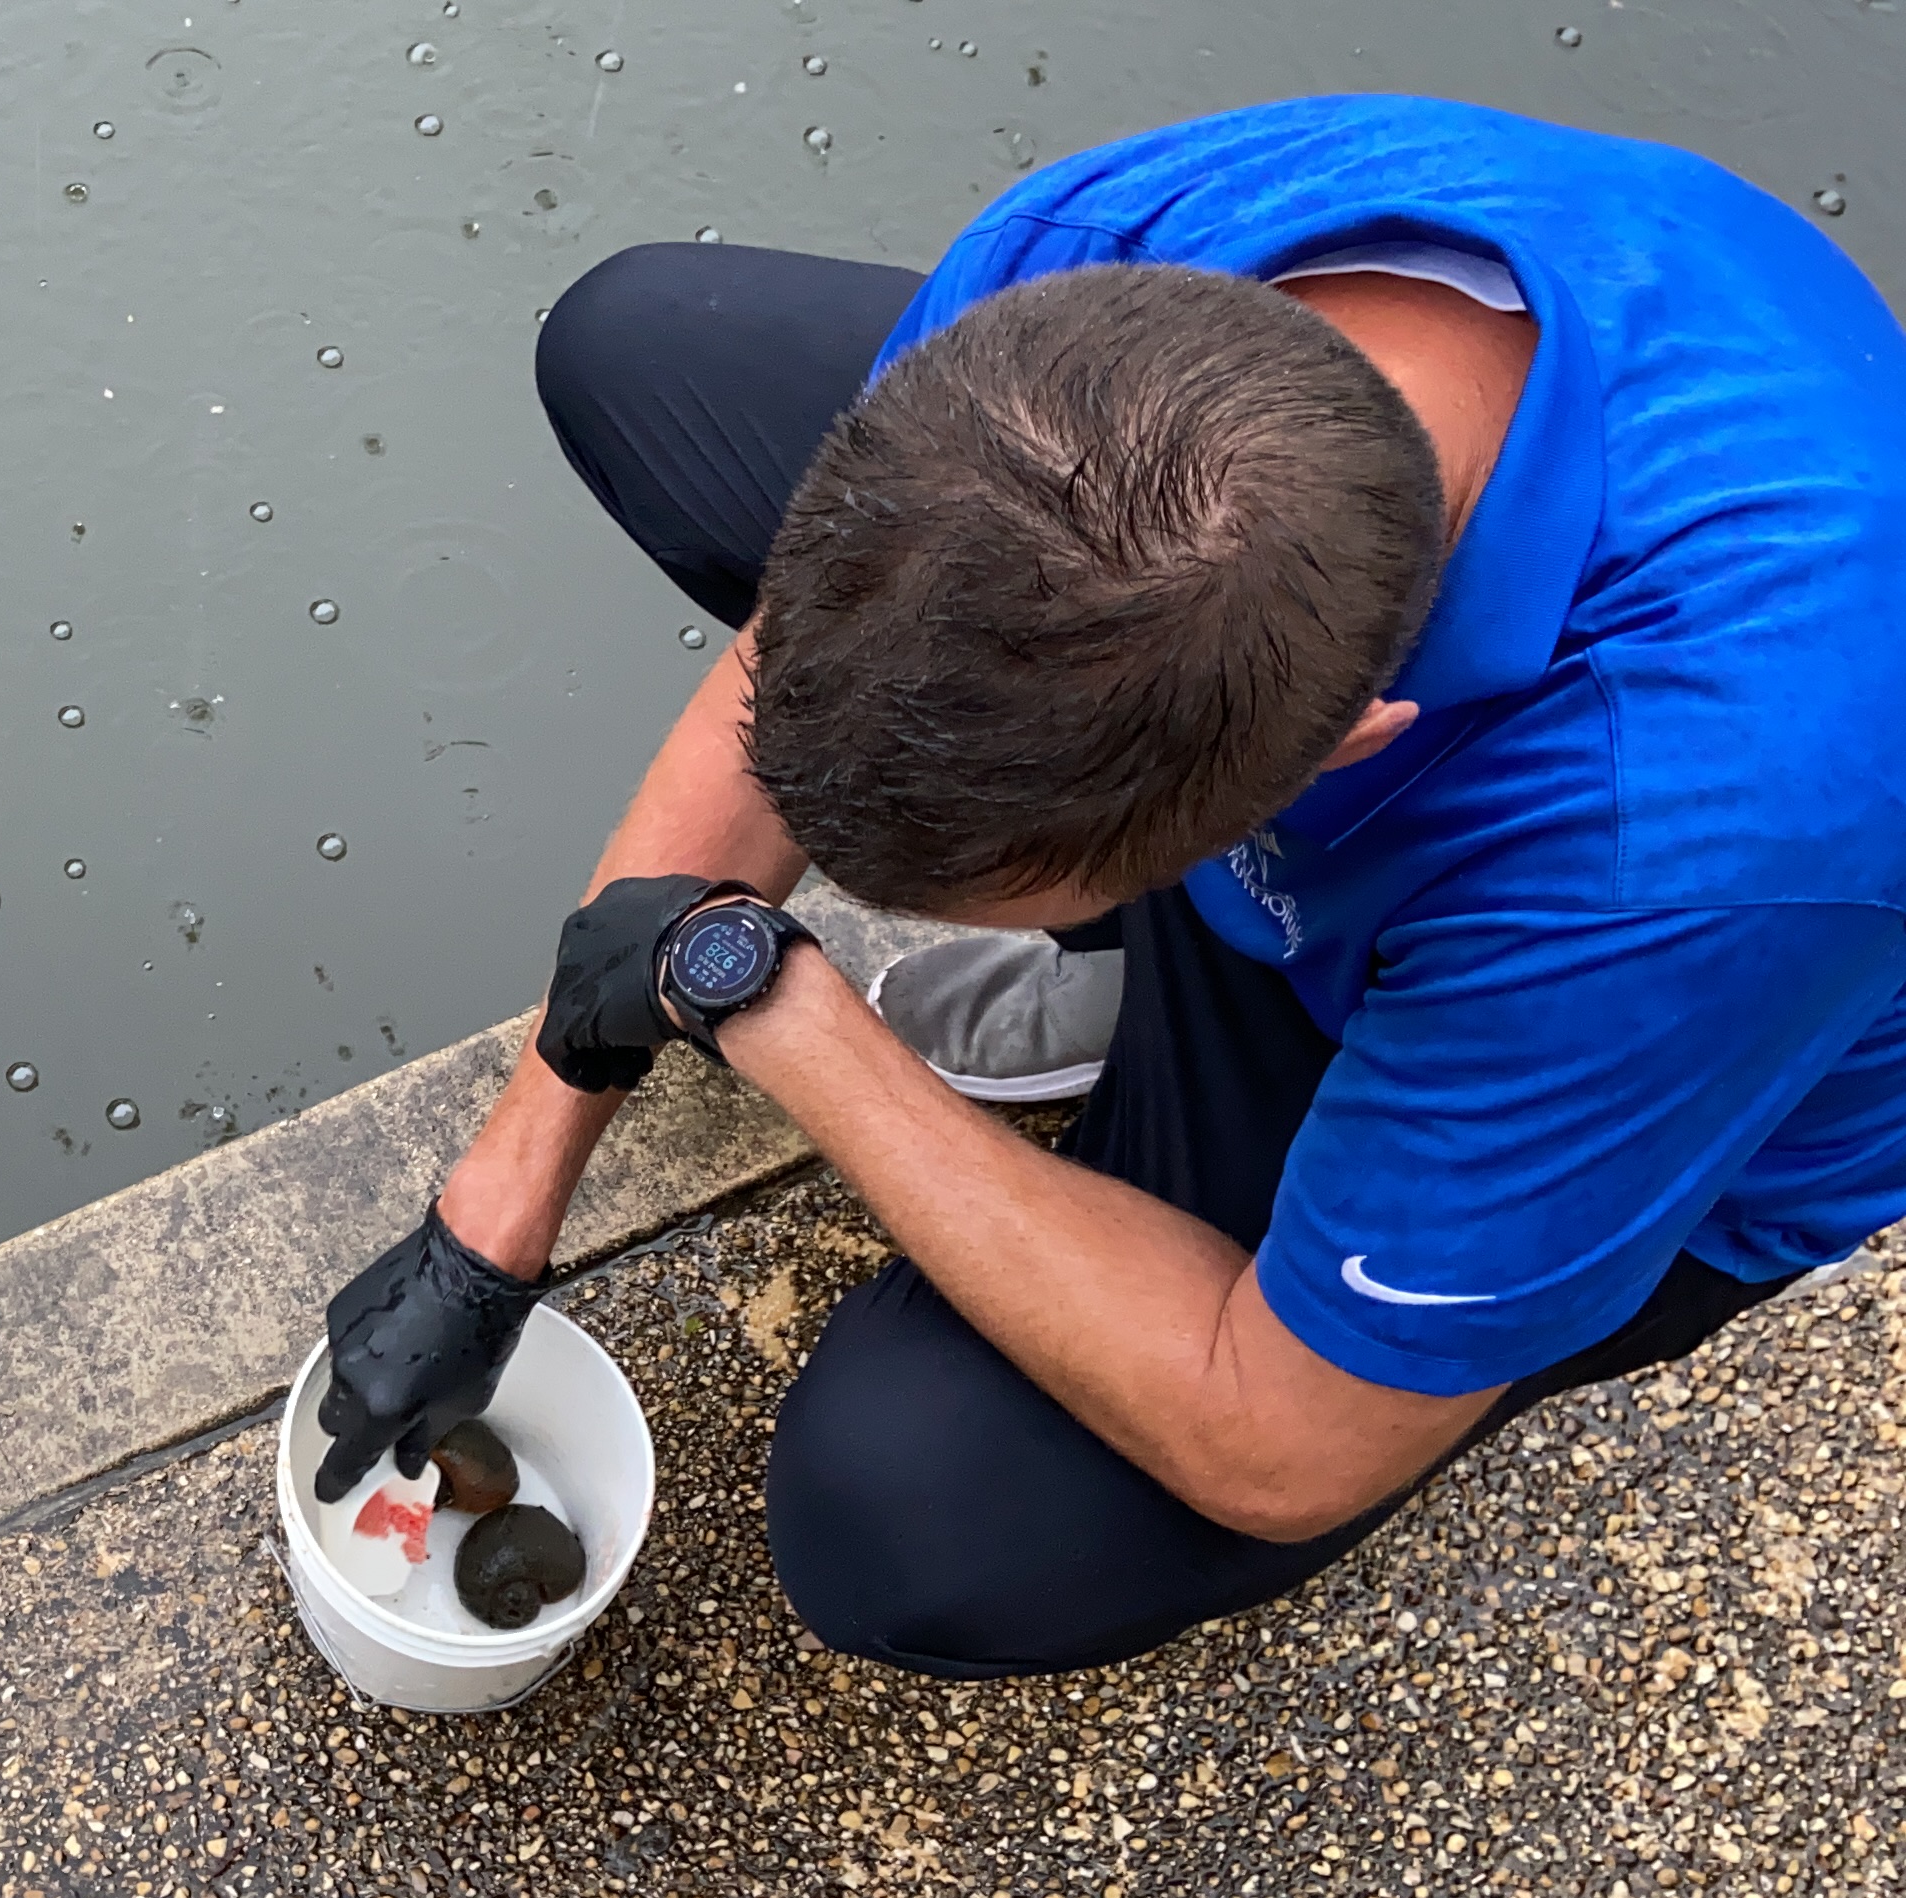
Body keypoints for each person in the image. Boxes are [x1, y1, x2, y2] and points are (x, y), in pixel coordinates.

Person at [310, 94, 1906, 1679]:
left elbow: (1285, 1445)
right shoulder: (1108, 262)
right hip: (1336, 791)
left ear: (1332, 758)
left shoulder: (1682, 856)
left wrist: (775, 1002)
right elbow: (817, 649)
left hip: (1591, 1016)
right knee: (643, 349)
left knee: (906, 1519)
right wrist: (498, 1208)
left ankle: (1189, 1012)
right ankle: (1124, 952)